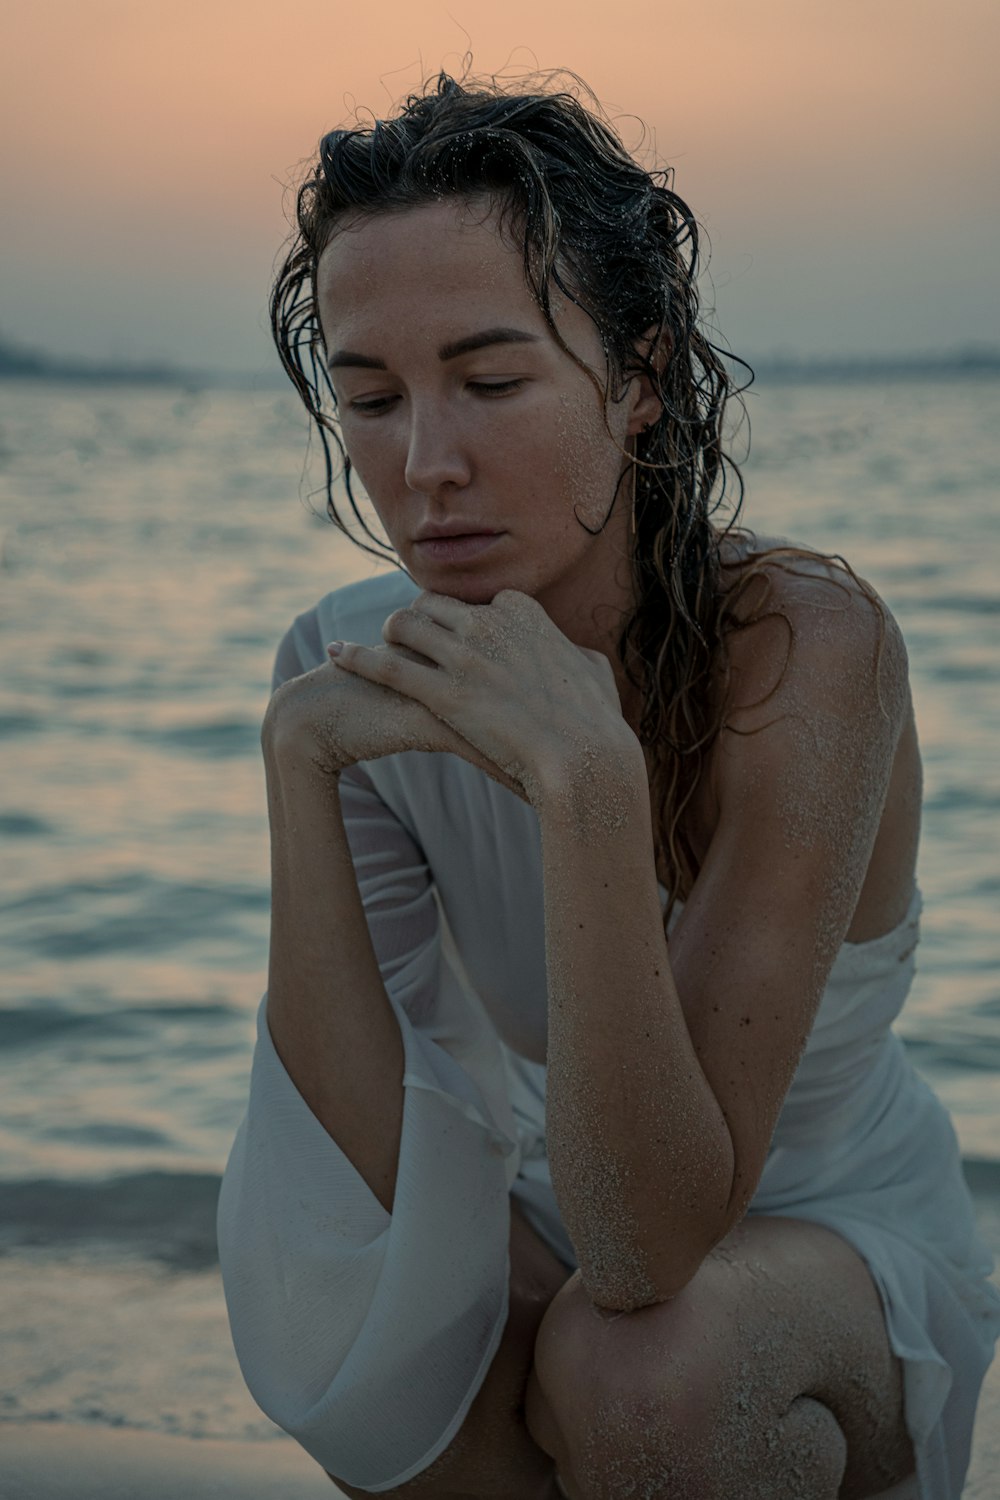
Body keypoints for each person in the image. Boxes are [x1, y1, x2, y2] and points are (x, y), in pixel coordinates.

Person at [216, 71, 1000, 1500]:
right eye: (373, 398)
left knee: (641, 1365)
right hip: (566, 1196)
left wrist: (586, 780)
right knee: (410, 1357)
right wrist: (294, 759)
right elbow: (363, 1170)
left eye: (493, 380)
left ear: (640, 381)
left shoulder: (806, 651)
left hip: (824, 1254)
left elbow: (648, 1245)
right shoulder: (342, 669)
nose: (425, 465)